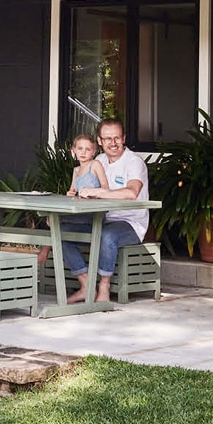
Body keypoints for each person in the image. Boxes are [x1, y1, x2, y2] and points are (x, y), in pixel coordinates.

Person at [57, 120, 148, 304]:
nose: (112, 143)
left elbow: (132, 192)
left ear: (124, 139)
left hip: (130, 223)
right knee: (63, 234)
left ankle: (104, 287)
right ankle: (85, 285)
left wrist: (98, 192)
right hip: (101, 219)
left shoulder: (133, 162)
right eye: (107, 139)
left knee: (107, 236)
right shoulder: (98, 161)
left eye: (116, 138)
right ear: (99, 141)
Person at [35, 134, 113, 268]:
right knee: (52, 220)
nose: (83, 152)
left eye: (88, 149)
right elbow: (72, 192)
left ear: (94, 152)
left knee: (55, 223)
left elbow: (106, 188)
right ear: (74, 150)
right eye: (80, 148)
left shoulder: (95, 165)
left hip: (92, 215)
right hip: (78, 213)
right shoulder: (76, 170)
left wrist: (93, 193)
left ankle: (44, 250)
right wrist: (70, 194)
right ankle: (45, 250)